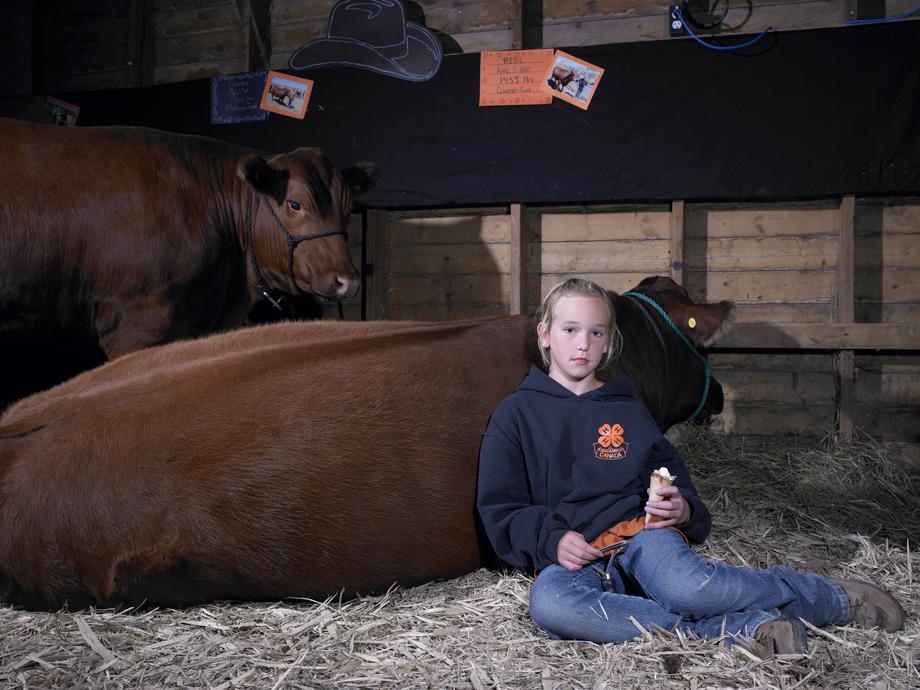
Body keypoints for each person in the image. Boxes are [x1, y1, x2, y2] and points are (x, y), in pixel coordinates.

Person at [476, 277, 904, 653]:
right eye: (570, 329)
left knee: (690, 588)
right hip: (572, 560)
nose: (583, 343)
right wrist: (552, 540)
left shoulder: (627, 410)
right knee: (552, 606)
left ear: (609, 342)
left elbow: (669, 474)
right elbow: (501, 508)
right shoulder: (515, 415)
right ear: (545, 334)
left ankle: (828, 597)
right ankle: (740, 629)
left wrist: (683, 509)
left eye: (596, 331)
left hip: (641, 538)